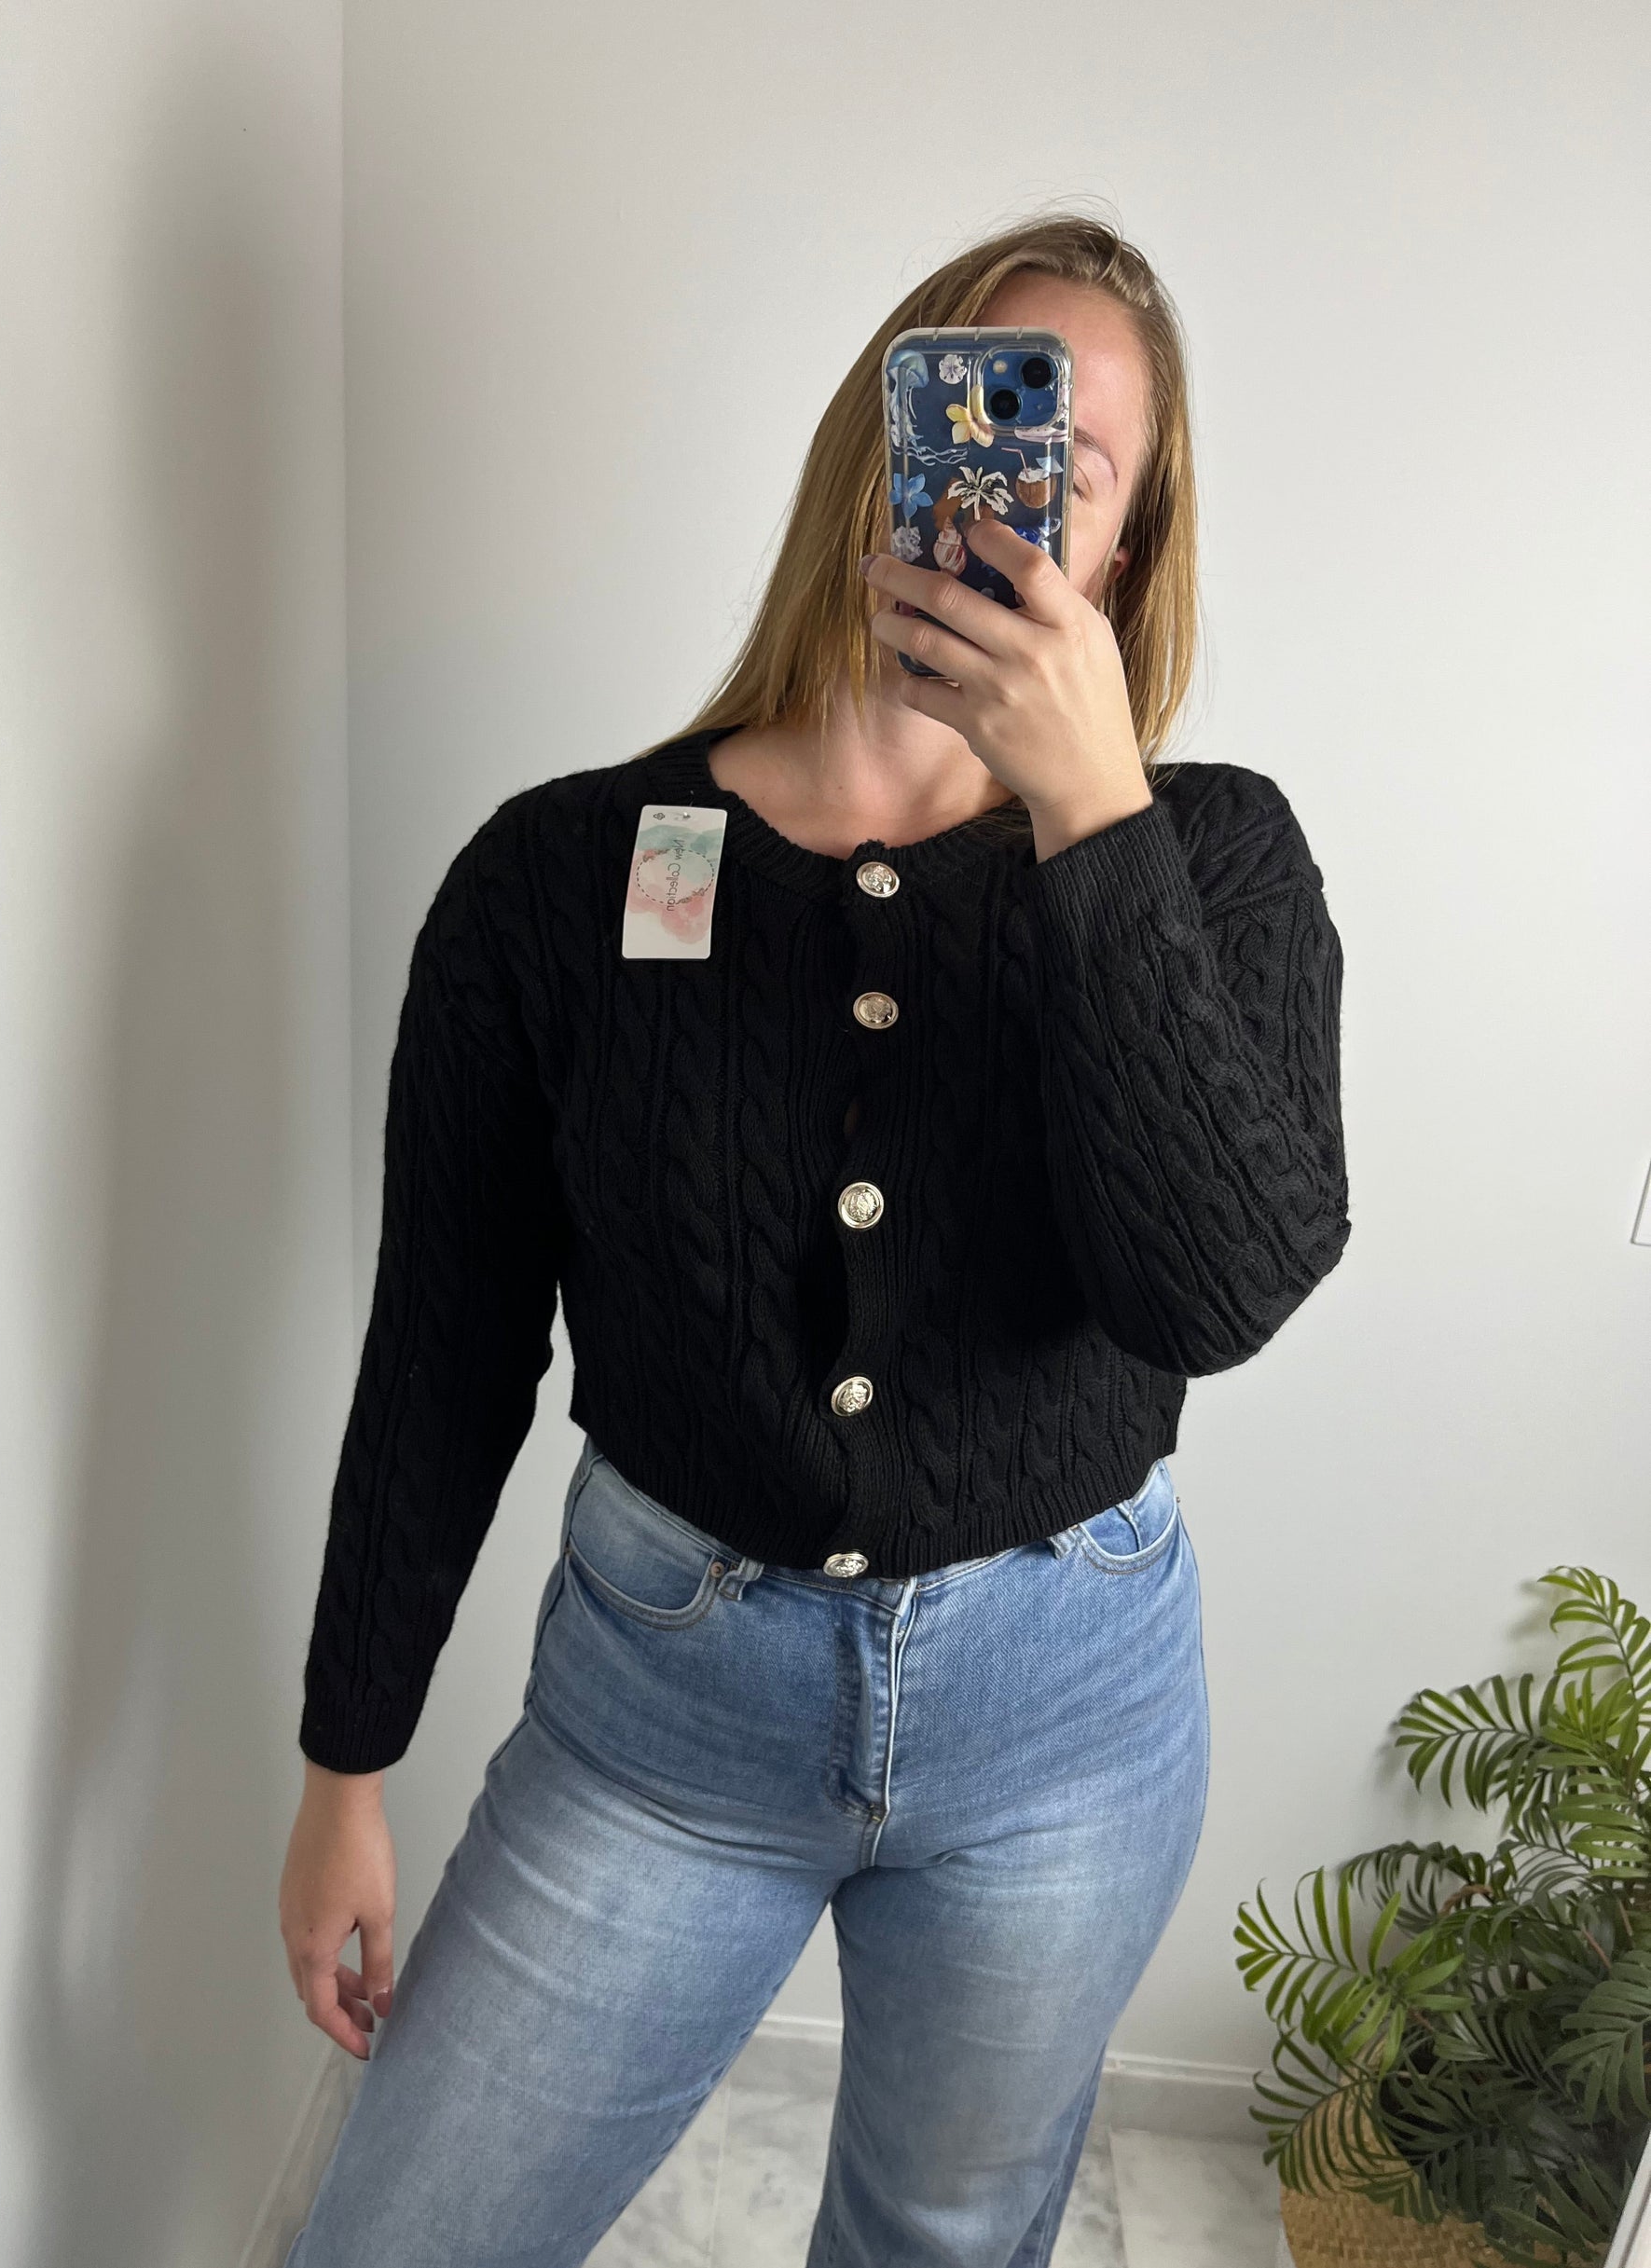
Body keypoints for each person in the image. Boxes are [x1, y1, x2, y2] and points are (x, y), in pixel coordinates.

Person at [278, 210, 1352, 2268]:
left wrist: (1089, 819)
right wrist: (347, 1756)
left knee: (938, 2240)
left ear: (1123, 551)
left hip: (1065, 1719)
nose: (1006, 483)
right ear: (880, 443)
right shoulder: (559, 874)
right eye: (974, 411)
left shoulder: (1211, 857)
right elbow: (443, 1344)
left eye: (1070, 460)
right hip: (659, 1715)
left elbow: (1212, 1288)